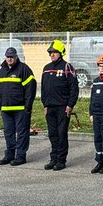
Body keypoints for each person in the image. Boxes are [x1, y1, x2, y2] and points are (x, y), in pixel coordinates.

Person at [41, 39, 79, 170]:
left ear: (60, 53)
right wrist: (45, 105)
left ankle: (61, 160)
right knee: (52, 134)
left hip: (63, 107)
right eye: (50, 52)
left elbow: (74, 88)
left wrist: (70, 105)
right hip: (50, 107)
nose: (52, 54)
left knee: (61, 133)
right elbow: (44, 89)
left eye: (54, 52)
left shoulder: (67, 67)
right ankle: (53, 158)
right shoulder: (46, 68)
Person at [0, 47, 36, 166]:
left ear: (16, 57)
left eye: (12, 57)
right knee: (8, 133)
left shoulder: (24, 69)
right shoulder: (1, 71)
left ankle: (20, 156)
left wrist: (28, 106)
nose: (10, 59)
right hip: (6, 109)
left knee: (22, 133)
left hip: (20, 109)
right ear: (5, 57)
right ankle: (9, 155)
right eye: (8, 57)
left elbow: (30, 89)